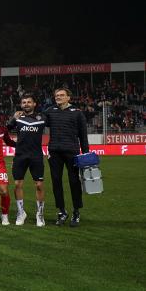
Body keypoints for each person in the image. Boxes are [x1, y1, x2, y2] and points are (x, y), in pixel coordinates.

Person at [43, 87, 89, 227]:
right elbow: (37, 122)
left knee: (74, 182)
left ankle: (76, 212)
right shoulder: (50, 111)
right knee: (56, 182)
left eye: (62, 95)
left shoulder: (77, 113)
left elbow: (83, 135)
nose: (58, 97)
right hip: (54, 152)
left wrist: (86, 154)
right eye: (57, 95)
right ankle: (62, 212)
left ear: (69, 97)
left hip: (72, 152)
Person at [8, 93, 47, 226]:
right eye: (24, 102)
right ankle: (21, 212)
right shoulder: (18, 118)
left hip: (36, 155)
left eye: (29, 102)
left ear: (34, 104)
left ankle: (40, 214)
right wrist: (13, 118)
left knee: (39, 185)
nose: (26, 104)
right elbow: (5, 130)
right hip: (20, 156)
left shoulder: (42, 117)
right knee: (18, 184)